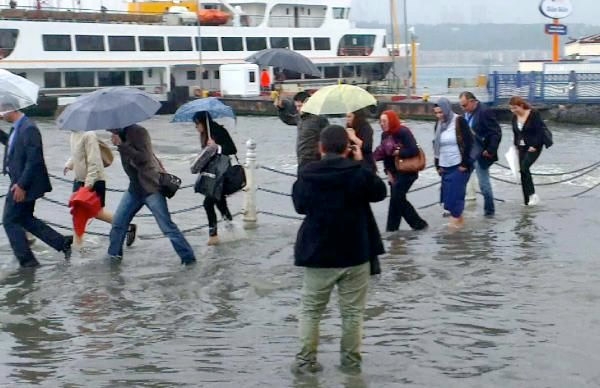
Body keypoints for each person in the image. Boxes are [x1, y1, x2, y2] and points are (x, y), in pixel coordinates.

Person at [291, 125, 386, 374]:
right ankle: (351, 364)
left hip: (318, 252)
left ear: (320, 148)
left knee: (311, 311)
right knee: (353, 313)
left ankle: (306, 361)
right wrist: (361, 158)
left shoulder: (307, 174)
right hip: (355, 252)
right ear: (347, 147)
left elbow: (300, 206)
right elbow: (379, 192)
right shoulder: (358, 172)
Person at [106, 124, 196, 265]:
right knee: (118, 224)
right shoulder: (121, 135)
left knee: (167, 227)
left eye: (109, 127)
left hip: (151, 188)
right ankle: (113, 259)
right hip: (134, 189)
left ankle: (189, 259)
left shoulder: (139, 132)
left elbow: (144, 158)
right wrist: (120, 144)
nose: (107, 130)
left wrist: (122, 145)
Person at [0, 101, 73, 268]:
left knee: (9, 221)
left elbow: (35, 160)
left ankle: (28, 263)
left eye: (1, 111)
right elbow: (11, 146)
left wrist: (22, 185)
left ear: (9, 110)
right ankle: (62, 243)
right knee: (25, 219)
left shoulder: (29, 128)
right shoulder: (17, 127)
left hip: (23, 184)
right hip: (17, 181)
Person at [64, 131, 137, 249]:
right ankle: (77, 247)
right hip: (79, 179)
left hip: (94, 180)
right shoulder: (73, 135)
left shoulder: (89, 135)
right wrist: (69, 164)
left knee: (94, 213)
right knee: (80, 214)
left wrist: (88, 184)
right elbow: (77, 154)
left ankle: (77, 249)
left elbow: (95, 161)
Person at [373, 110, 428, 232]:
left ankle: (419, 225)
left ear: (391, 121)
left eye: (384, 121)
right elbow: (385, 156)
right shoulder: (384, 135)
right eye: (380, 121)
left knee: (397, 198)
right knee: (396, 200)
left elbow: (413, 150)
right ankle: (392, 230)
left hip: (408, 171)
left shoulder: (403, 132)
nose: (382, 124)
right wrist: (388, 172)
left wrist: (399, 152)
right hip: (394, 172)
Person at [192, 111, 237, 245]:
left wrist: (217, 147)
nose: (196, 127)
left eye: (197, 124)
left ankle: (213, 236)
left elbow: (232, 149)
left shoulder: (218, 131)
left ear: (203, 122)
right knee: (220, 203)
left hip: (221, 174)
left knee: (208, 203)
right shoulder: (205, 135)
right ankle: (232, 231)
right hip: (211, 175)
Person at [458, 91, 502, 216]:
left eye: (465, 105)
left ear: (473, 101)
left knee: (484, 184)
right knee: (460, 180)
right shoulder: (467, 113)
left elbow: (496, 132)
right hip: (468, 153)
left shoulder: (484, 111)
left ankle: (489, 212)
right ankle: (457, 211)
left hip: (481, 153)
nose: (463, 108)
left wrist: (490, 150)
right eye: (461, 105)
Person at [433, 98, 474, 228]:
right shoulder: (438, 125)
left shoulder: (459, 121)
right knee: (448, 203)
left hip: (458, 166)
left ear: (446, 109)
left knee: (455, 200)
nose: (439, 116)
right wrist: (437, 165)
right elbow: (436, 146)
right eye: (436, 113)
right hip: (445, 167)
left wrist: (465, 164)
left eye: (441, 112)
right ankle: (461, 230)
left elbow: (469, 143)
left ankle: (452, 236)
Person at [275, 91, 329, 170]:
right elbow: (288, 119)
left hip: (315, 160)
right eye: (296, 106)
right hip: (302, 159)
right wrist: (281, 108)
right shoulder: (300, 118)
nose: (298, 109)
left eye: (300, 106)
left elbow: (328, 138)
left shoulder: (320, 118)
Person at [509, 96, 545, 206]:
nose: (513, 111)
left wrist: (534, 145)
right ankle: (527, 201)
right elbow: (516, 133)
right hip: (521, 147)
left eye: (515, 108)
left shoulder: (533, 114)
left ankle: (533, 194)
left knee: (525, 167)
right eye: (511, 109)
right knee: (522, 172)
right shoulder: (514, 117)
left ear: (521, 105)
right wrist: (515, 146)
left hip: (534, 146)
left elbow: (540, 131)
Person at [345, 108, 376, 172]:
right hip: (351, 163)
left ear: (356, 117)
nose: (347, 119)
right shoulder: (349, 128)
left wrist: (353, 137)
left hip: (365, 162)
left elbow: (367, 147)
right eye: (346, 117)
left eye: (349, 117)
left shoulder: (366, 128)